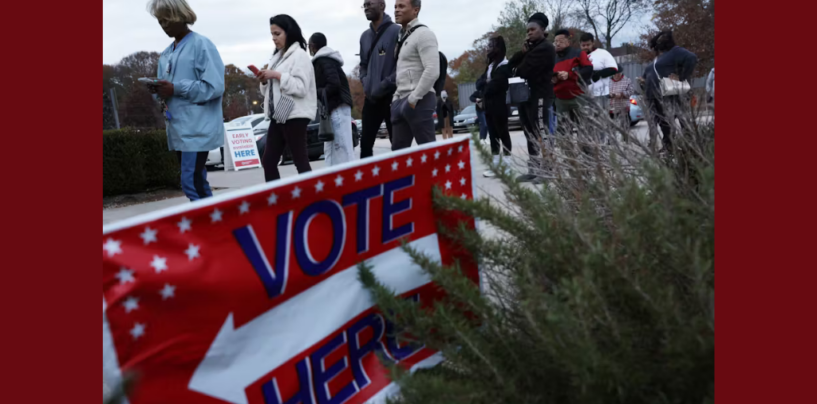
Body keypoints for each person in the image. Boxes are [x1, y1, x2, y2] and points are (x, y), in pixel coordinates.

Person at [147, 0, 225, 202]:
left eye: (166, 20)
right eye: (159, 21)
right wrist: (158, 90)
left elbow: (214, 86)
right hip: (178, 129)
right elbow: (167, 90)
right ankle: (214, 223)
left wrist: (175, 88)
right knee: (197, 181)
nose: (163, 25)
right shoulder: (166, 54)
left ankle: (208, 225)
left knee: (190, 182)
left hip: (198, 128)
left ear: (180, 16)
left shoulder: (202, 45)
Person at [256, 15, 317, 181]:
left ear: (289, 32)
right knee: (268, 161)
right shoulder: (276, 57)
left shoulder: (300, 56)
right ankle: (276, 200)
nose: (274, 39)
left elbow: (301, 88)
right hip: (279, 113)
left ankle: (311, 198)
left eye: (277, 33)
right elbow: (267, 93)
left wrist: (276, 75)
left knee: (300, 160)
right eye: (272, 34)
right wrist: (264, 81)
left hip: (296, 113)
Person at [507, 12, 555, 183]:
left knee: (541, 131)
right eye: (528, 30)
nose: (529, 32)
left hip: (540, 95)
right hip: (526, 96)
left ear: (542, 29)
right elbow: (512, 66)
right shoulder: (530, 49)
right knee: (529, 133)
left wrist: (520, 63)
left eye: (533, 29)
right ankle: (533, 169)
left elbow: (521, 71)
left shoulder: (546, 48)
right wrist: (522, 54)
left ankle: (549, 170)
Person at [391, 0, 440, 150]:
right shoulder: (402, 37)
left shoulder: (424, 34)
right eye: (395, 7)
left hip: (419, 100)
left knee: (428, 153)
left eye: (401, 6)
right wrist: (395, 100)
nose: (396, 10)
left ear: (415, 10)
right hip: (400, 101)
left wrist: (413, 98)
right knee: (398, 156)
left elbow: (432, 70)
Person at [639, 30, 698, 153]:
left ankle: (690, 144)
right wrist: (644, 80)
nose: (660, 41)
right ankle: (669, 145)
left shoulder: (676, 51)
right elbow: (649, 73)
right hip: (653, 95)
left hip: (670, 92)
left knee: (682, 119)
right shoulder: (657, 59)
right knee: (663, 121)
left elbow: (691, 58)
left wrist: (681, 77)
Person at [359, 0, 402, 158]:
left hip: (392, 97)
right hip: (371, 98)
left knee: (397, 144)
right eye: (364, 5)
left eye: (370, 3)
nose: (367, 7)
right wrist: (364, 80)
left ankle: (401, 180)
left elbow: (402, 66)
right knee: (365, 145)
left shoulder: (397, 31)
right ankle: (367, 181)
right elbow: (363, 64)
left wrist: (385, 84)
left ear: (382, 6)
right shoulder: (364, 37)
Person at [309, 33, 357, 166]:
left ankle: (350, 177)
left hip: (337, 106)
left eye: (309, 45)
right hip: (337, 106)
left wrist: (315, 92)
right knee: (333, 147)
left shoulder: (323, 60)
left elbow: (333, 84)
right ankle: (331, 178)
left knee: (342, 146)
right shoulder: (327, 60)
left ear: (313, 46)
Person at [552, 29, 593, 138]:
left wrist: (569, 74)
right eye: (555, 41)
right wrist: (554, 79)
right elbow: (547, 76)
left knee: (584, 129)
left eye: (560, 40)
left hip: (578, 97)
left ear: (568, 42)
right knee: (563, 131)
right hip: (560, 100)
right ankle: (568, 154)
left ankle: (587, 153)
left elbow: (588, 69)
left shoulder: (579, 54)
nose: (557, 43)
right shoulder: (553, 58)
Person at [482, 36, 513, 178]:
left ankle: (507, 166)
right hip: (488, 106)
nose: (488, 48)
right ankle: (495, 165)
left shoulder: (505, 65)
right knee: (493, 136)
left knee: (503, 134)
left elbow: (495, 86)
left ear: (498, 48)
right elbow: (479, 83)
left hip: (500, 105)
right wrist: (486, 85)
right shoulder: (490, 65)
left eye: (491, 45)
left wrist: (486, 86)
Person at [580, 33, 618, 142]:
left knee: (600, 121)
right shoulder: (579, 56)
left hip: (600, 94)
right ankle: (590, 145)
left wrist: (599, 74)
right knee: (587, 123)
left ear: (593, 43)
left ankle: (602, 144)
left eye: (588, 44)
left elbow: (613, 68)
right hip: (584, 94)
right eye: (583, 45)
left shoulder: (602, 53)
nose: (586, 47)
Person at [608, 67, 634, 140]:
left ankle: (626, 141)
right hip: (612, 107)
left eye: (618, 73)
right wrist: (610, 95)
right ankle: (612, 141)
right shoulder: (609, 81)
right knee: (611, 126)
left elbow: (631, 91)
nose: (616, 75)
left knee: (625, 126)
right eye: (615, 74)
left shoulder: (627, 80)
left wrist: (622, 94)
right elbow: (605, 92)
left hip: (624, 106)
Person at [470, 75, 489, 143]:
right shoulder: (478, 92)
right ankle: (481, 139)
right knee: (484, 124)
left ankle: (484, 138)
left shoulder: (487, 92)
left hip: (486, 109)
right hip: (480, 110)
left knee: (486, 125)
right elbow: (471, 98)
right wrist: (476, 99)